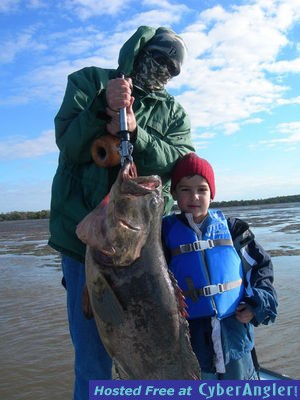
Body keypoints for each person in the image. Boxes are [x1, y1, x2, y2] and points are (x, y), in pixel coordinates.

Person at [48, 26, 194, 399]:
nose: (164, 69)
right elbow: (68, 144)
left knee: (158, 343)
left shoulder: (174, 112)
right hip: (88, 245)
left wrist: (136, 131)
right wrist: (102, 109)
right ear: (140, 50)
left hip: (143, 250)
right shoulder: (88, 82)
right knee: (93, 359)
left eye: (172, 68)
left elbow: (180, 160)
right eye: (158, 58)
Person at [162, 152, 278, 380]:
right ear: (174, 193)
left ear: (211, 194)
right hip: (191, 346)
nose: (194, 196)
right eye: (185, 189)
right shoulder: (163, 235)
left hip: (235, 340)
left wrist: (258, 304)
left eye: (202, 189)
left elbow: (261, 269)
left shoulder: (235, 230)